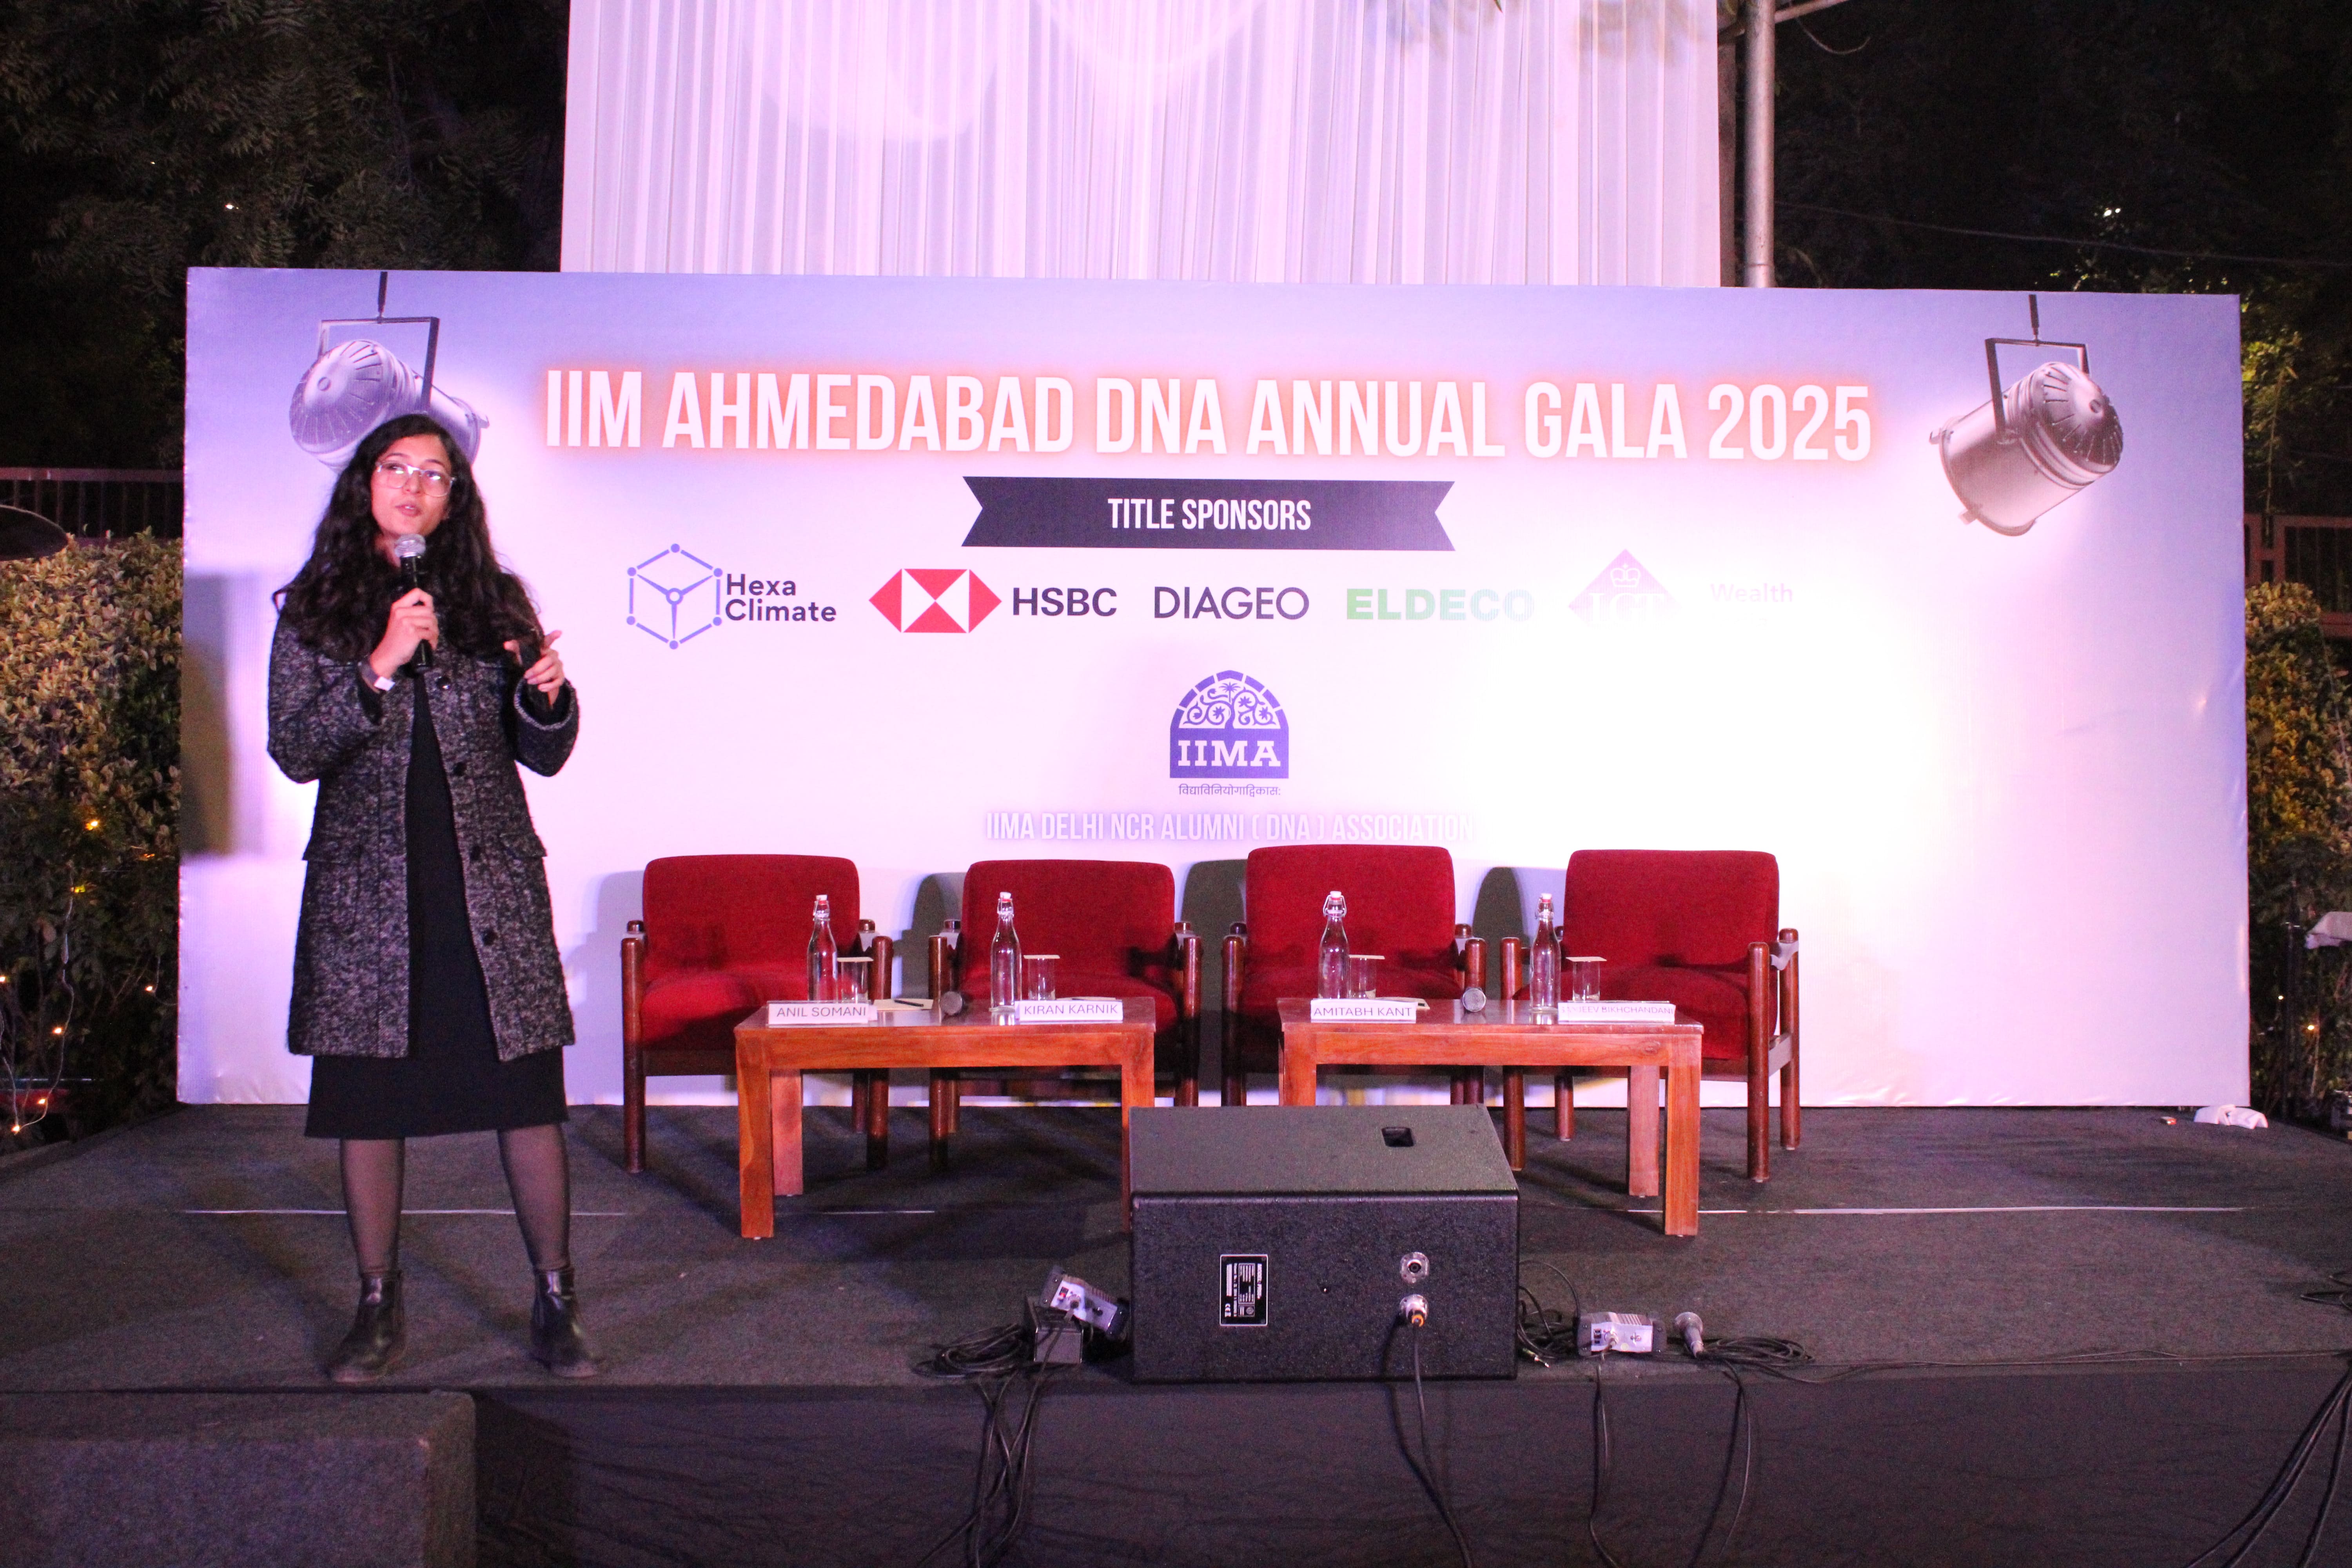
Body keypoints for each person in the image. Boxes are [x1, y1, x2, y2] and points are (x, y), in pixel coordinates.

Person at [268, 412, 595, 1382]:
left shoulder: (493, 600)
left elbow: (543, 752)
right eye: (396, 467)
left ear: (456, 498)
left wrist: (545, 695)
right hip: (368, 896)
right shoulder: (319, 608)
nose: (413, 486)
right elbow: (296, 748)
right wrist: (378, 663)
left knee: (524, 1096)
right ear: (365, 483)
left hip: (484, 885)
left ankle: (556, 1298)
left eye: (435, 474)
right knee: (370, 1104)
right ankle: (377, 1301)